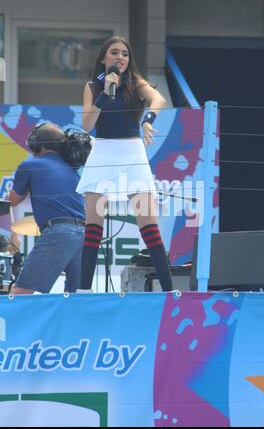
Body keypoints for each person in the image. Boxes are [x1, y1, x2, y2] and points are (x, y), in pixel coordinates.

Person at [77, 35, 173, 291]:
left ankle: (168, 290)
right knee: (93, 226)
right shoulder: (93, 86)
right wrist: (104, 94)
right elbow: (87, 125)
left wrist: (148, 120)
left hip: (132, 152)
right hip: (103, 151)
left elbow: (158, 100)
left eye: (125, 54)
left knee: (148, 224)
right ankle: (84, 290)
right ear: (103, 57)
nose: (121, 58)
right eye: (115, 52)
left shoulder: (135, 83)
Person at [6, 122, 85, 294]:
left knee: (19, 294)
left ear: (36, 143)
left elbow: (12, 201)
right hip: (84, 235)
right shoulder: (72, 170)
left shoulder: (31, 165)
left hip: (60, 233)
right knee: (76, 298)